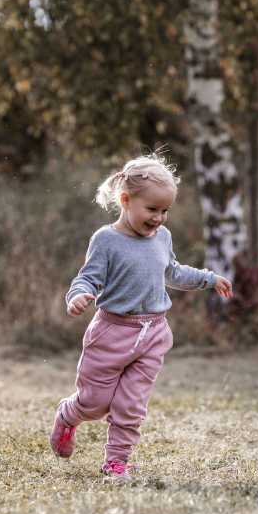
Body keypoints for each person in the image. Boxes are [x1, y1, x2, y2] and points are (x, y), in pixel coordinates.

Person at [49, 152, 233, 481]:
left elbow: (173, 271)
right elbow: (87, 277)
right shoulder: (106, 240)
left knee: (130, 405)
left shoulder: (162, 237)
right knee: (95, 402)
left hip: (153, 334)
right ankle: (67, 415)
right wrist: (78, 296)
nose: (159, 218)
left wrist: (208, 278)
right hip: (111, 333)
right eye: (152, 209)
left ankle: (116, 462)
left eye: (165, 211)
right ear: (125, 200)